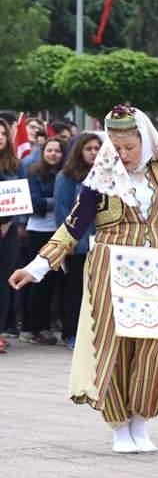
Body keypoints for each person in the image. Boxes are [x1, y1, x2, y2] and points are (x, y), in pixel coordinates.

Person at [8, 106, 158, 452]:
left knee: (154, 347)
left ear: (145, 143)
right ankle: (119, 425)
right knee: (115, 347)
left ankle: (141, 420)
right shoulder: (100, 177)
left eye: (130, 147)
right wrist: (36, 267)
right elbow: (73, 227)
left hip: (157, 272)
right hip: (111, 270)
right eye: (116, 146)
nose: (123, 154)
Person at [54, 133, 101, 350]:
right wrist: (67, 242)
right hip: (79, 241)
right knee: (76, 289)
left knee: (97, 290)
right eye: (89, 148)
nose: (94, 152)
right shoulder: (67, 176)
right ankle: (70, 332)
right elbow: (63, 210)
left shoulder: (107, 174)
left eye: (97, 148)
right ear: (79, 151)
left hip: (101, 241)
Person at [24, 138, 66, 345]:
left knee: (57, 284)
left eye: (58, 150)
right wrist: (60, 203)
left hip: (62, 232)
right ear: (43, 152)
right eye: (49, 150)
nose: (53, 154)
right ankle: (36, 327)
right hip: (39, 231)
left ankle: (50, 326)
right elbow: (35, 203)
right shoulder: (33, 172)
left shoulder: (68, 173)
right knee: (39, 279)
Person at [0, 118, 28, 345]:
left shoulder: (15, 165)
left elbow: (20, 197)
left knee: (3, 281)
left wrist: (8, 222)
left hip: (7, 230)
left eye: (2, 133)